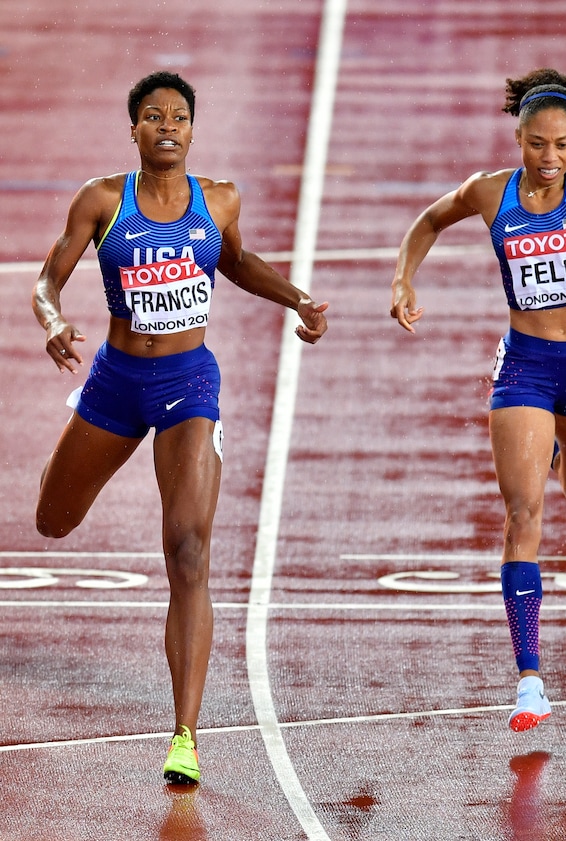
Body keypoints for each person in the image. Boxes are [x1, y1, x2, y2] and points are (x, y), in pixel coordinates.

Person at [32, 70, 328, 783]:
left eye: (180, 117)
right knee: (52, 520)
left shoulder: (218, 199)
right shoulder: (102, 200)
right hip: (114, 383)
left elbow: (236, 263)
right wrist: (52, 320)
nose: (168, 126)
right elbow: (48, 278)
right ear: (133, 129)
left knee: (189, 547)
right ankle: (75, 451)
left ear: (192, 129)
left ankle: (185, 736)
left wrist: (296, 298)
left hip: (188, 384)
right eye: (154, 116)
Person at [390, 68, 566, 732]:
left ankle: (553, 443)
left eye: (564, 145)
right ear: (518, 135)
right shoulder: (491, 194)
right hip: (524, 367)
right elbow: (429, 221)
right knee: (523, 513)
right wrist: (404, 279)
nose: (550, 159)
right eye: (538, 144)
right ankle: (530, 680)